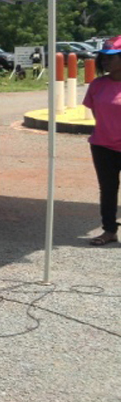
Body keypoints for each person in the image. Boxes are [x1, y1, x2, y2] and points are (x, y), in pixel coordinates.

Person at [83, 35, 121, 246]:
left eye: (111, 57)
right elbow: (98, 113)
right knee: (107, 189)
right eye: (103, 58)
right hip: (102, 146)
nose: (105, 62)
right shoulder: (97, 85)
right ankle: (109, 230)